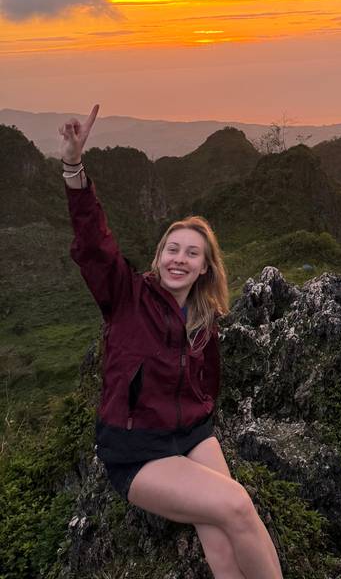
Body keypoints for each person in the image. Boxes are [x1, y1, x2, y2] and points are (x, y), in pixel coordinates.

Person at [60, 104, 283, 579]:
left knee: (221, 532)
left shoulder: (204, 318)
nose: (179, 259)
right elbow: (94, 244)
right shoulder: (126, 297)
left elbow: (207, 382)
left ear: (205, 268)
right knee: (237, 505)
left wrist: (199, 421)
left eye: (192, 253)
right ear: (159, 255)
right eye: (172, 249)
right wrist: (74, 168)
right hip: (135, 449)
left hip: (191, 434)